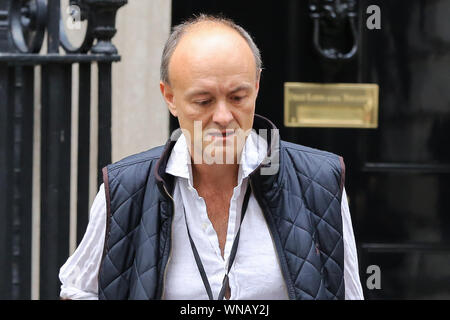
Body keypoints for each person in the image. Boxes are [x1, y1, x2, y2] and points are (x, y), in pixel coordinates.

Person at [59, 14, 364, 300]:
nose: (222, 116)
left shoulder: (321, 180)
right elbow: (77, 289)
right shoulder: (124, 186)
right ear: (170, 97)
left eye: (238, 97)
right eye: (203, 101)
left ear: (256, 86)